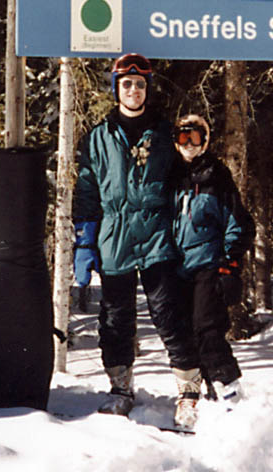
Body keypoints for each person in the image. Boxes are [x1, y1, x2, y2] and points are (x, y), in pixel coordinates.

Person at [73, 53, 200, 425]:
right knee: (115, 318)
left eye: (140, 84)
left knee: (169, 313)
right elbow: (86, 191)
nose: (133, 90)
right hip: (114, 237)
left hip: (157, 234)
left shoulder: (164, 133)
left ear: (147, 89)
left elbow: (186, 182)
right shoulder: (98, 137)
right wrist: (85, 241)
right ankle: (120, 388)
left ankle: (188, 393)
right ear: (116, 88)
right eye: (126, 84)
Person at [171, 113, 254, 420]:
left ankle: (230, 391)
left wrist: (230, 265)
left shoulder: (217, 177)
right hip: (178, 269)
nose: (189, 144)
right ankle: (202, 396)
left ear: (205, 141)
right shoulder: (171, 176)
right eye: (183, 137)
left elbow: (239, 224)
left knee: (208, 329)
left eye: (195, 137)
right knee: (186, 335)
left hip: (208, 264)